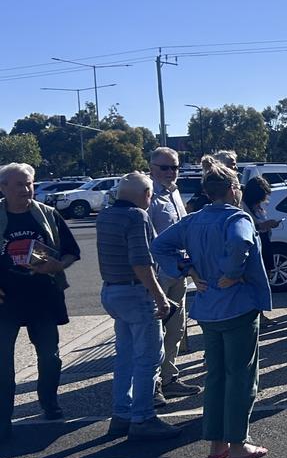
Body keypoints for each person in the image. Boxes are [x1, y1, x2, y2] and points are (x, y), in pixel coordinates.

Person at [152, 160, 271, 458]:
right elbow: (242, 241)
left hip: (207, 308)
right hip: (237, 305)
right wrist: (232, 272)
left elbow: (160, 245)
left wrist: (187, 269)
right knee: (241, 376)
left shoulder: (194, 220)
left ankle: (216, 441)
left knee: (216, 375)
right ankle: (237, 443)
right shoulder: (236, 217)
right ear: (233, 189)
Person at [0, 163, 80, 443]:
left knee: (50, 356)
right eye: (20, 184)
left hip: (43, 298)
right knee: (2, 365)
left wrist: (58, 265)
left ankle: (49, 402)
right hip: (5, 302)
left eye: (30, 183)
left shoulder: (47, 215)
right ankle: (3, 421)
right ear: (3, 188)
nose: (26, 189)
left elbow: (71, 252)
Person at [98, 172, 182, 440]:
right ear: (146, 194)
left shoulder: (105, 215)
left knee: (125, 357)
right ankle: (144, 417)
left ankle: (121, 414)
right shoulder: (137, 216)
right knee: (149, 359)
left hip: (112, 290)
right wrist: (159, 295)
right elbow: (140, 261)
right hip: (136, 292)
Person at [147, 146, 201, 400]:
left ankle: (169, 376)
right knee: (154, 331)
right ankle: (152, 385)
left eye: (175, 167)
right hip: (157, 274)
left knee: (177, 327)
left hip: (178, 270)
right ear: (152, 168)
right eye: (164, 167)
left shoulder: (175, 193)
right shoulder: (147, 196)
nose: (171, 172)